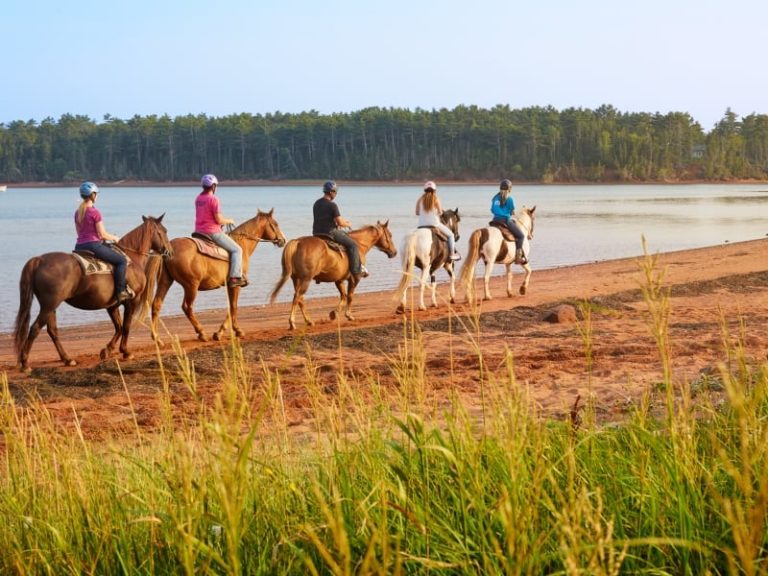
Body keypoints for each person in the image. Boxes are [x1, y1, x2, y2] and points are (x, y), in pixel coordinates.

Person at [74, 181, 132, 303]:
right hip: (93, 246)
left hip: (79, 246)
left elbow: (79, 233)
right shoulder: (95, 212)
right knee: (121, 261)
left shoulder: (77, 212)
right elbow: (102, 234)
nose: (97, 196)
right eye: (96, 194)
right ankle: (121, 291)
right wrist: (115, 238)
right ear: (93, 195)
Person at [195, 174, 246, 288]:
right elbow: (219, 219)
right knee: (237, 250)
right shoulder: (214, 199)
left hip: (199, 232)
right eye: (216, 185)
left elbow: (205, 216)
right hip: (212, 232)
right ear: (213, 186)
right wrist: (229, 220)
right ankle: (234, 278)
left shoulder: (198, 198)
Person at [312, 180, 368, 278]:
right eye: (335, 192)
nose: (336, 194)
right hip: (330, 232)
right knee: (353, 244)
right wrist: (347, 223)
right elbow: (340, 222)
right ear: (331, 192)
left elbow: (323, 218)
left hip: (316, 232)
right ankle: (356, 270)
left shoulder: (316, 203)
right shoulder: (332, 205)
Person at [416, 180, 460, 261]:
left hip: (421, 225)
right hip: (434, 224)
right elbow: (440, 213)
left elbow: (417, 213)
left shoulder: (420, 200)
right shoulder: (436, 199)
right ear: (435, 190)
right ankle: (452, 254)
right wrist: (438, 212)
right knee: (451, 235)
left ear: (424, 190)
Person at [491, 178, 527, 264]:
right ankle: (518, 258)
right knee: (521, 236)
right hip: (505, 221)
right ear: (510, 189)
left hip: (495, 220)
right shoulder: (510, 199)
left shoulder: (495, 198)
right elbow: (512, 212)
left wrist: (499, 212)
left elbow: (492, 210)